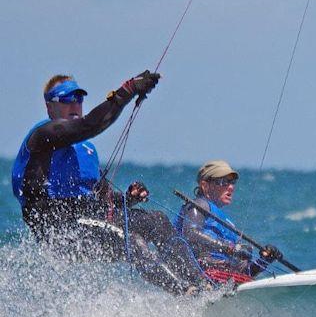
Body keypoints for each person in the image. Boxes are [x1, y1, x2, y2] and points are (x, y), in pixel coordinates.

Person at [11, 72, 192, 292]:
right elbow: (90, 125)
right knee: (131, 241)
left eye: (79, 99)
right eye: (67, 100)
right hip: (59, 231)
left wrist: (128, 198)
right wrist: (128, 90)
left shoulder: (86, 150)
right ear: (50, 107)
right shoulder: (42, 136)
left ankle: (195, 279)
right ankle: (184, 292)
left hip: (90, 221)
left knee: (158, 221)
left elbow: (103, 199)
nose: (75, 104)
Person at [174, 160, 282, 286]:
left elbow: (245, 273)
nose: (231, 187)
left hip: (223, 281)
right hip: (199, 277)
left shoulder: (229, 224)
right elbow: (190, 234)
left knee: (244, 254)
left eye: (232, 182)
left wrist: (264, 260)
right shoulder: (199, 205)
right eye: (223, 182)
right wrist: (229, 247)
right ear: (205, 185)